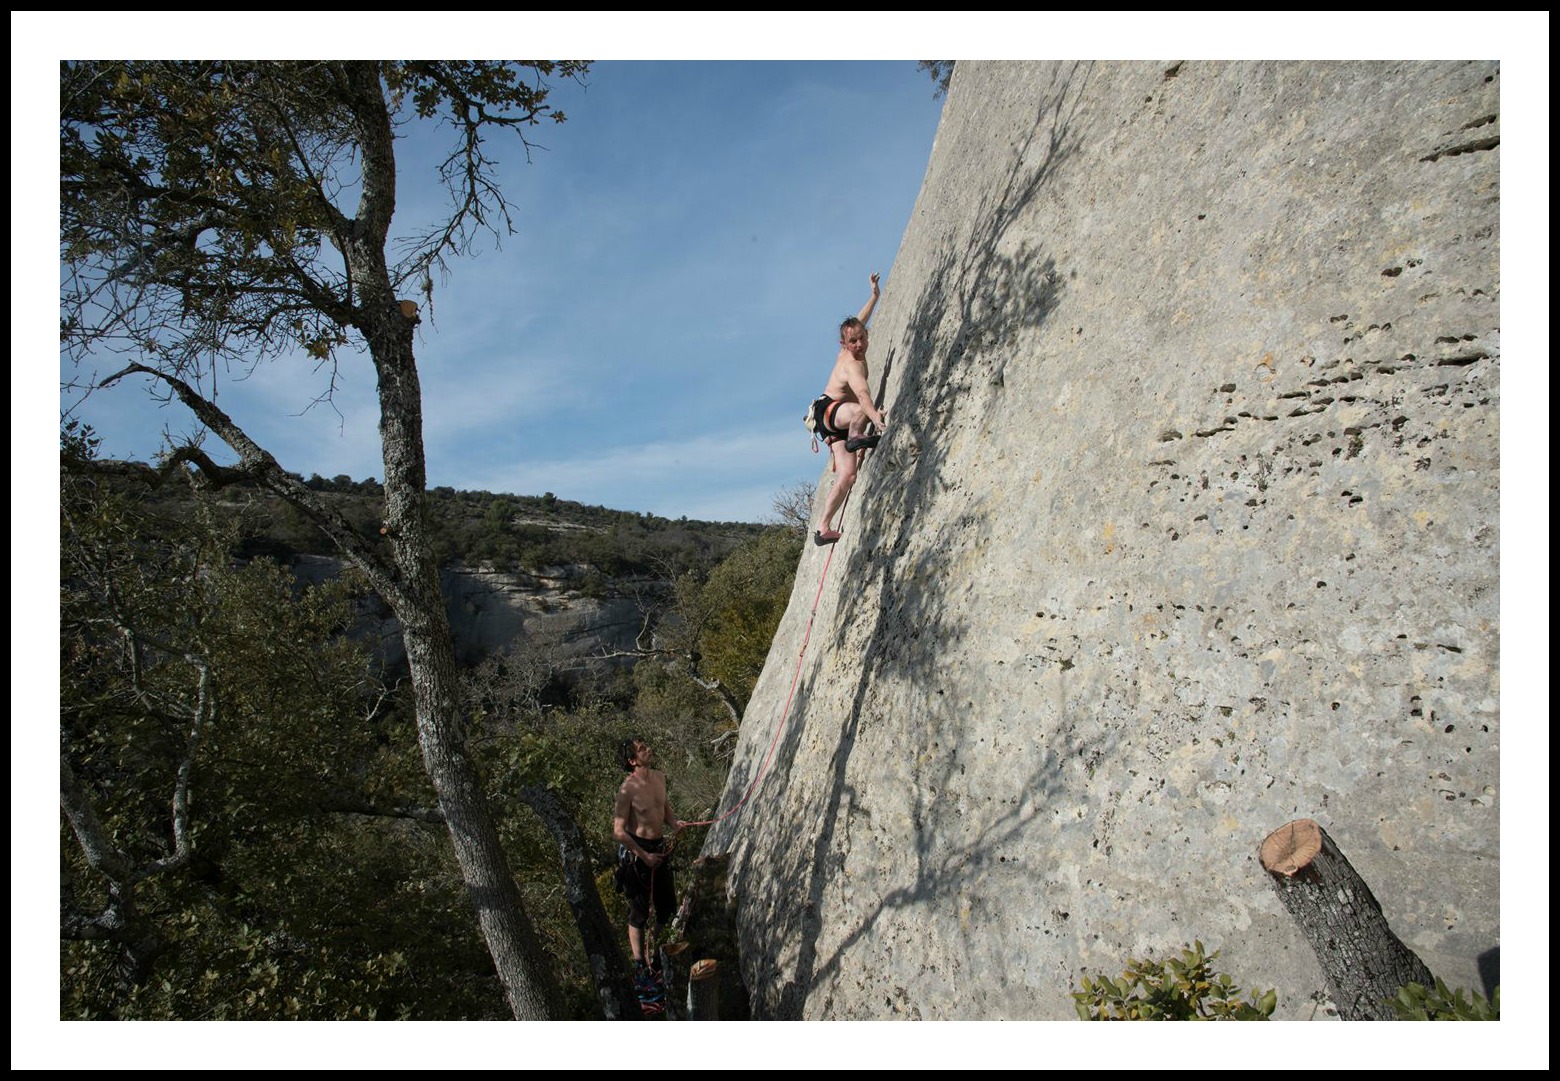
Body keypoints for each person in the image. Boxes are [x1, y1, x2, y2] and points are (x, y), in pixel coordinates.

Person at [811, 272, 888, 546]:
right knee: (859, 411)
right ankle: (856, 438)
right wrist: (875, 418)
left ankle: (823, 528)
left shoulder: (854, 340)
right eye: (852, 342)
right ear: (843, 345)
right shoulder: (851, 363)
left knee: (848, 475)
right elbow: (864, 396)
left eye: (861, 339)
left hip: (833, 424)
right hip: (830, 411)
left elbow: (859, 320)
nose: (859, 345)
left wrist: (874, 296)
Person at [612, 737, 680, 995]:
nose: (648, 749)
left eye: (646, 746)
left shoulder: (659, 777)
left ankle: (659, 958)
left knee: (666, 907)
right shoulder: (626, 789)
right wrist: (642, 855)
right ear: (632, 761)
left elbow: (664, 807)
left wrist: (674, 823)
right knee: (639, 913)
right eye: (642, 749)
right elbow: (618, 832)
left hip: (659, 846)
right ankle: (640, 965)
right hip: (637, 852)